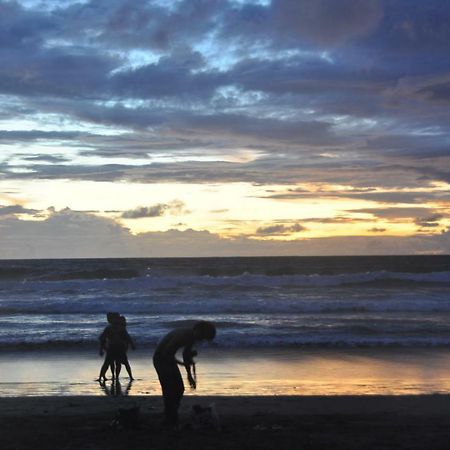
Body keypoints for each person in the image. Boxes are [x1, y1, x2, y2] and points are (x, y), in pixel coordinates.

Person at [153, 321, 216, 428]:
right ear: (199, 330)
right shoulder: (183, 335)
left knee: (179, 389)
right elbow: (166, 352)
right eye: (202, 336)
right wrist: (181, 363)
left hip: (168, 359)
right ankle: (170, 417)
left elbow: (185, 355)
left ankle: (171, 415)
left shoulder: (192, 337)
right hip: (160, 359)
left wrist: (189, 375)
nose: (201, 339)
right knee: (170, 389)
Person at [97, 313, 136, 382]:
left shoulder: (119, 328)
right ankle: (101, 377)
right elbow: (102, 338)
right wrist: (102, 348)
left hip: (117, 347)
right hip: (114, 348)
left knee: (118, 363)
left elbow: (127, 337)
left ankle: (121, 377)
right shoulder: (112, 328)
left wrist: (131, 344)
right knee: (109, 363)